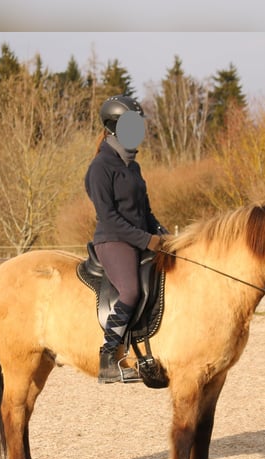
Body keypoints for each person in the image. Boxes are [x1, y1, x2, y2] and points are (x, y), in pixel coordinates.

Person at [85, 94, 168, 384]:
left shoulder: (133, 167)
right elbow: (109, 218)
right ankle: (109, 357)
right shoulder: (99, 168)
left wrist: (162, 234)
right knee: (131, 291)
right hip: (114, 240)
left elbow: (145, 210)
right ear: (113, 127)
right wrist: (145, 239)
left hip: (139, 237)